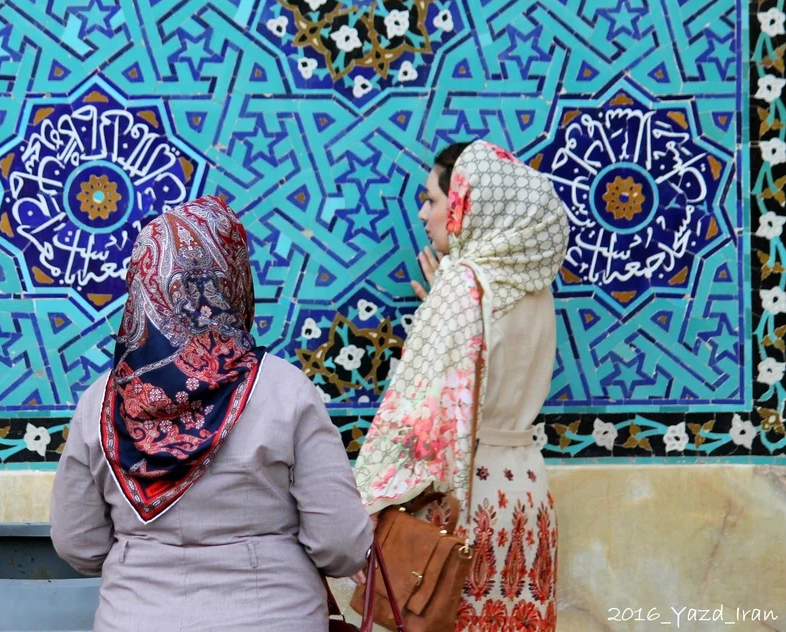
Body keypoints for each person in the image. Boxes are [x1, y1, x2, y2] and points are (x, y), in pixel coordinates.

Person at [50, 195, 373, 631]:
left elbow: (77, 542)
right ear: (232, 278)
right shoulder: (285, 391)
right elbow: (341, 545)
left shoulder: (101, 403)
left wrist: (144, 557)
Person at [353, 140, 568, 629]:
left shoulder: (462, 286)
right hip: (527, 499)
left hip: (465, 507)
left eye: (432, 199)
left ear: (466, 205)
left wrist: (368, 502)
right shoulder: (536, 291)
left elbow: (419, 419)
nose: (424, 214)